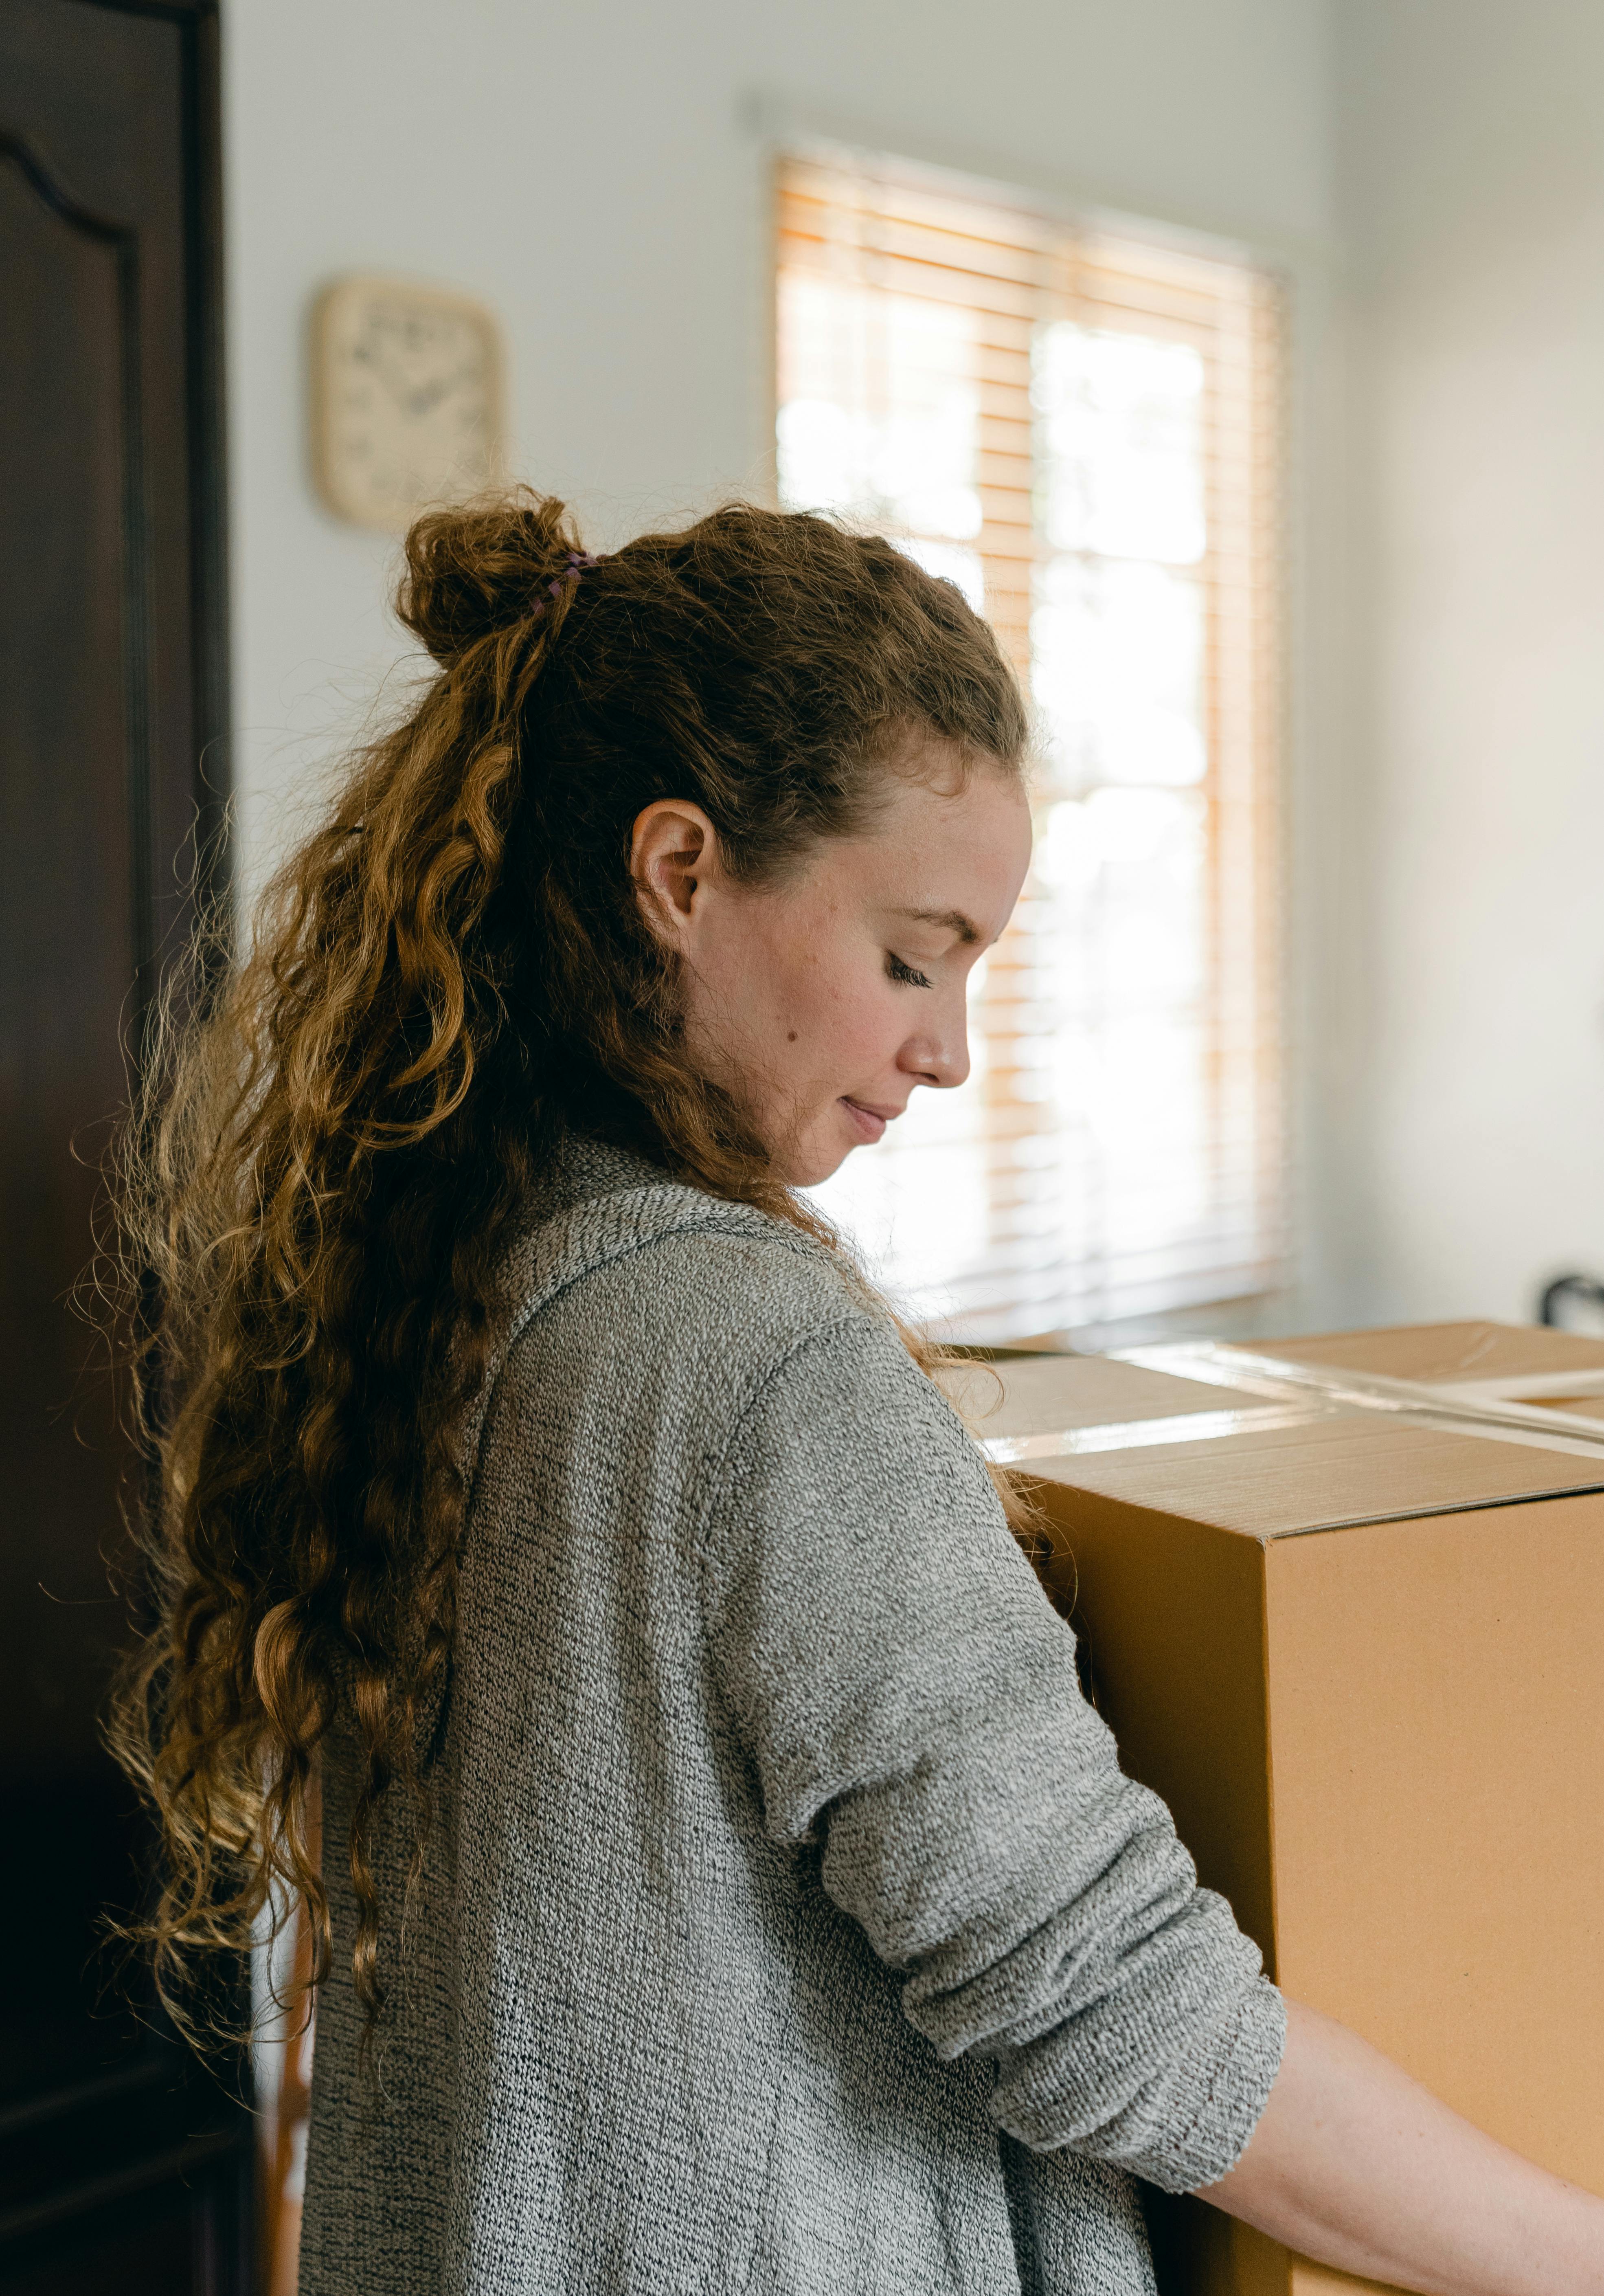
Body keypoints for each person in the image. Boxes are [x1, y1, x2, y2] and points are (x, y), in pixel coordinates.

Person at [112, 493, 1604, 2296]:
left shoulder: (461, 1277)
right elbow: (1113, 2004)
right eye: (911, 955)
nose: (947, 1050)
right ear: (679, 874)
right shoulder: (748, 1353)